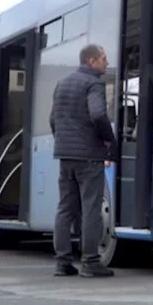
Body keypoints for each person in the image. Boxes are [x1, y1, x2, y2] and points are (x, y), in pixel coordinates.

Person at [49, 44, 118, 278]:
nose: (106, 63)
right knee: (90, 209)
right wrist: (109, 141)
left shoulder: (62, 83)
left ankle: (62, 263)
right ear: (91, 61)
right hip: (89, 156)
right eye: (103, 59)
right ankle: (90, 261)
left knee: (65, 209)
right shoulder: (94, 83)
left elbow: (53, 119)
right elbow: (98, 114)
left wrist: (63, 142)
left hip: (65, 156)